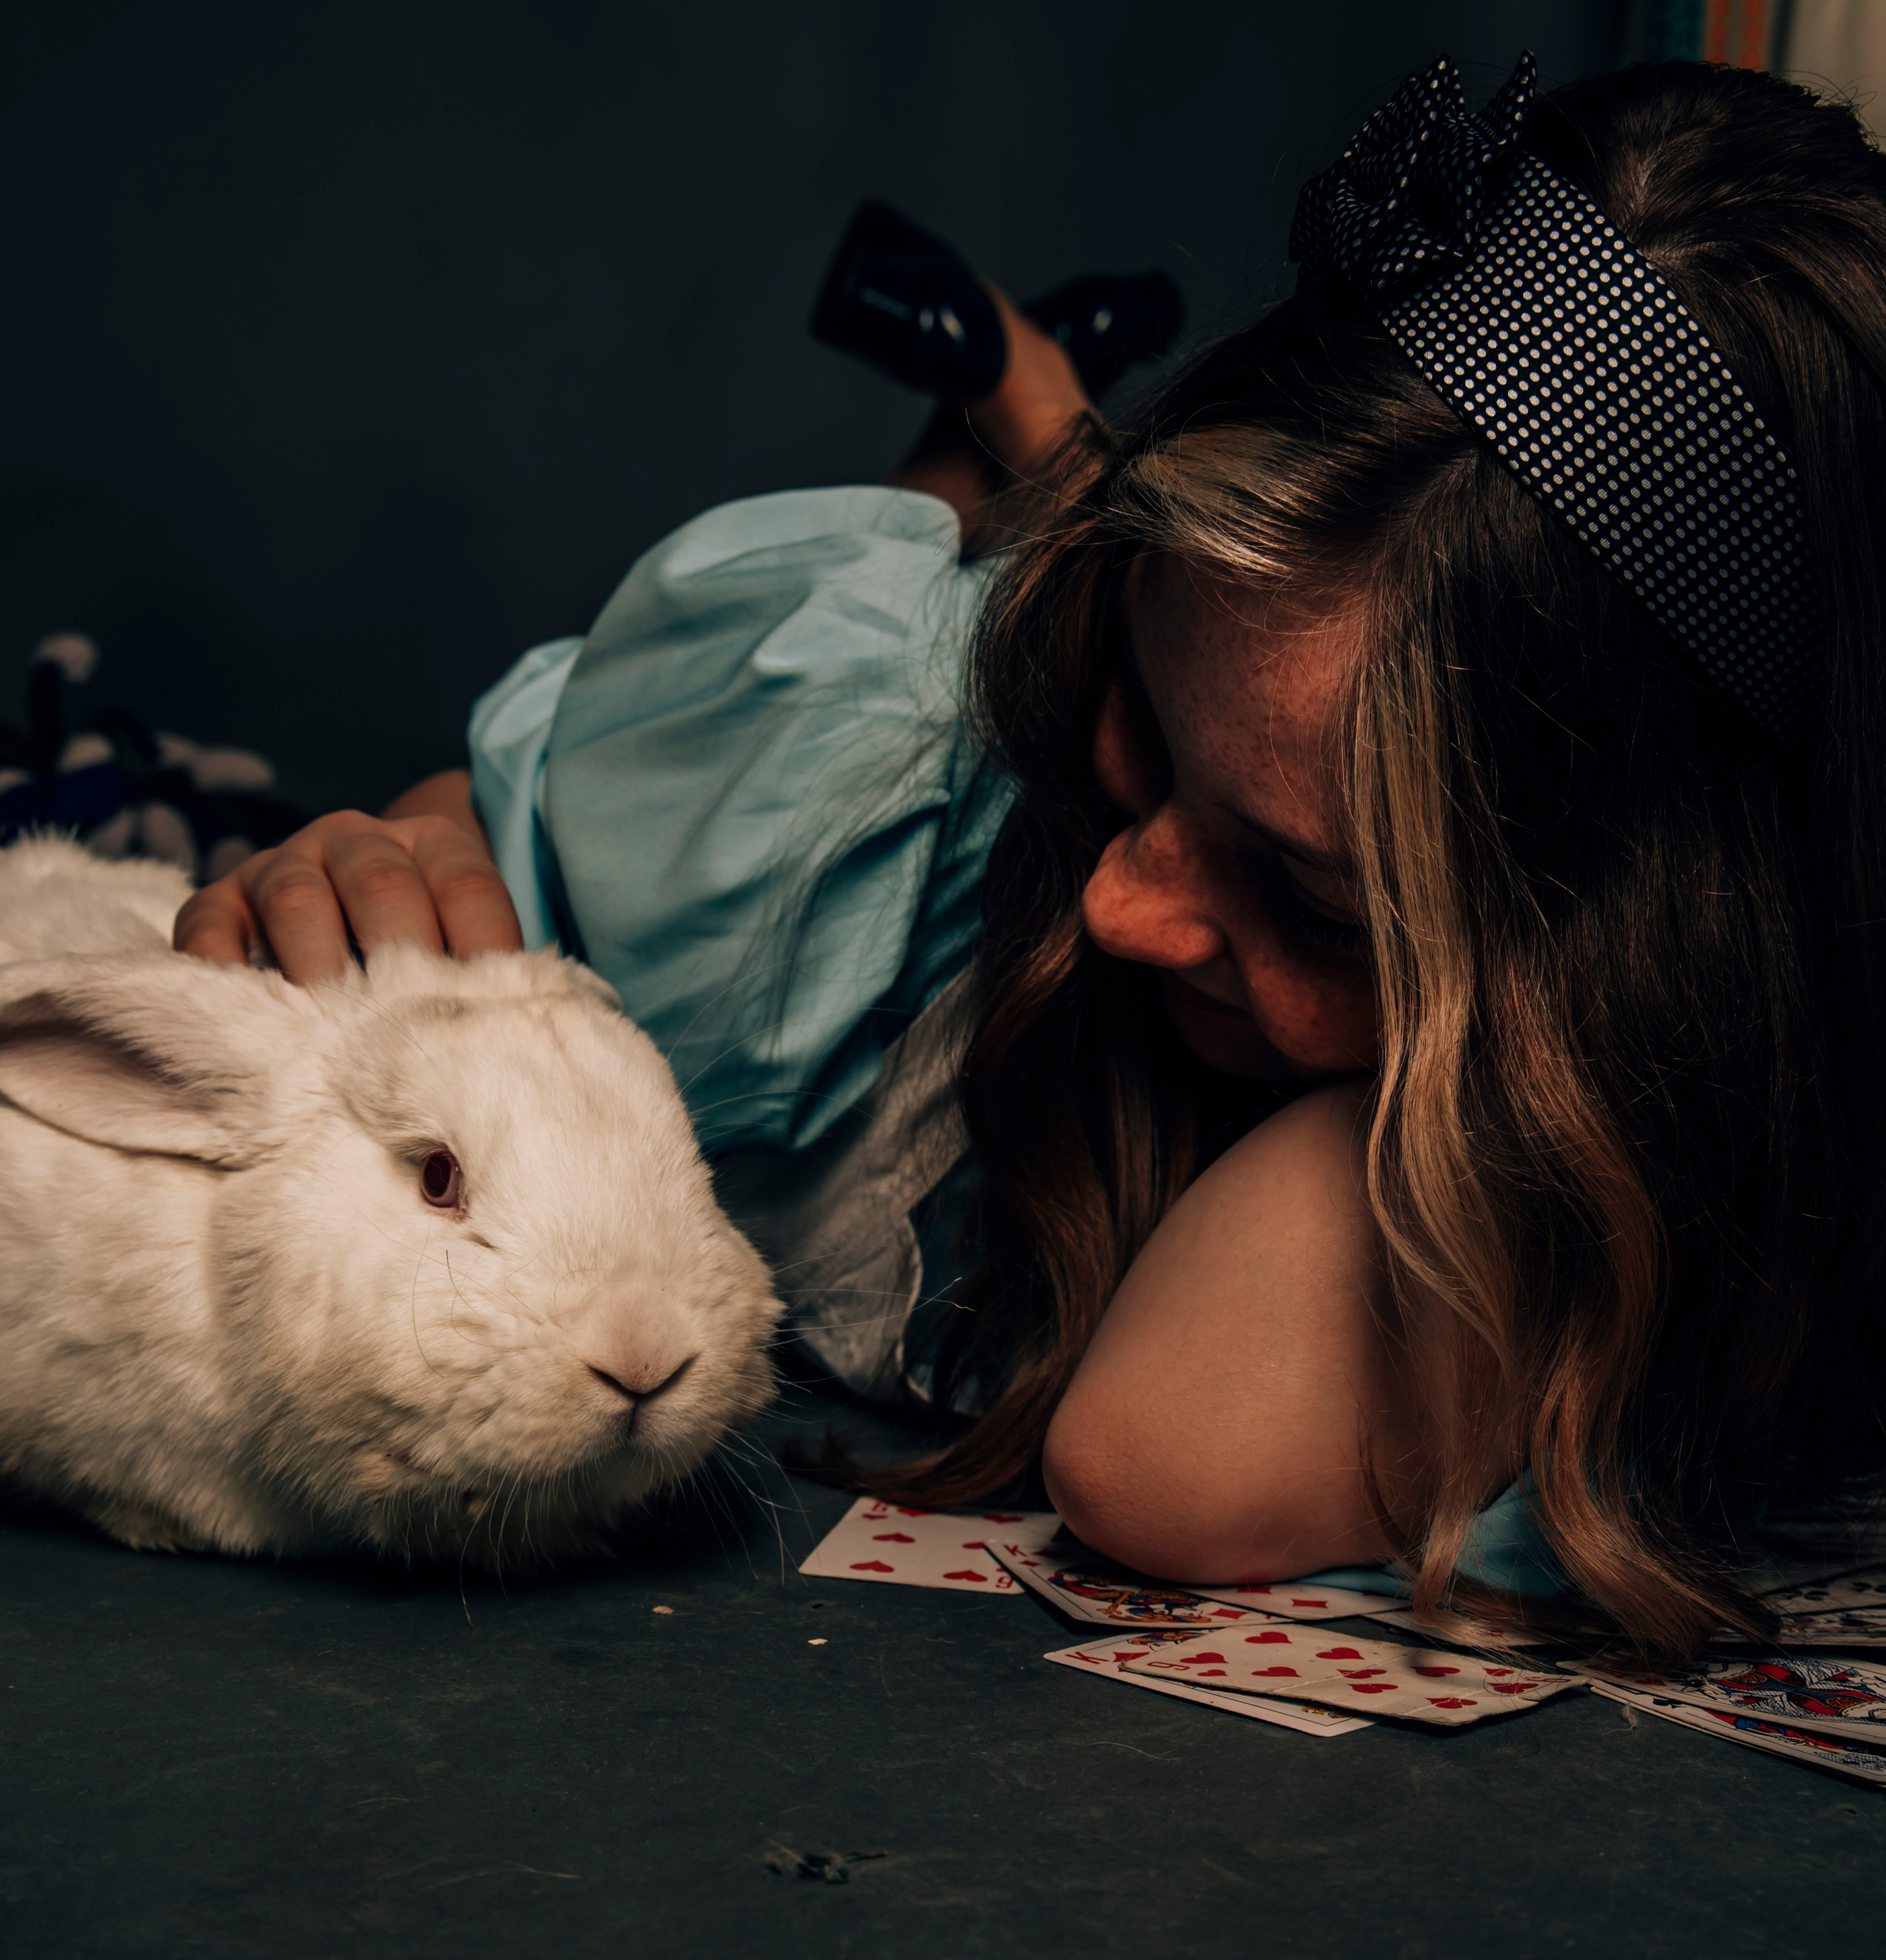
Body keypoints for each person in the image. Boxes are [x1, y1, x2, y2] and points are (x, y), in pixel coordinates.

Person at [175, 55, 1886, 1655]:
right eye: (1144, 723)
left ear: (1643, 992)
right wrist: (401, 839)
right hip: (916, 699)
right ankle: (1017, 452)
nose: (1119, 903)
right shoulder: (841, 815)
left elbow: (1161, 1456)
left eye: (1304, 898)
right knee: (961, 612)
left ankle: (1027, 416)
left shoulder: (1668, 1191)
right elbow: (519, 818)